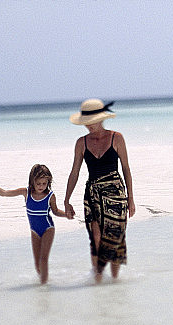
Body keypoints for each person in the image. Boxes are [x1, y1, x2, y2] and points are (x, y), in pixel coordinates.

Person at [64, 99, 135, 282]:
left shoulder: (116, 138)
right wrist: (66, 200)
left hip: (116, 194)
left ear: (101, 119)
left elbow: (126, 169)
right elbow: (75, 172)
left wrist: (131, 199)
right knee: (96, 238)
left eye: (91, 122)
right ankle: (97, 279)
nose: (88, 126)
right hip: (92, 194)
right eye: (85, 123)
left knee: (114, 239)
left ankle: (115, 282)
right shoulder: (81, 143)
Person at [0, 164, 65, 284]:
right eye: (38, 183)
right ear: (32, 182)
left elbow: (55, 211)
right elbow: (4, 193)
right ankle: (44, 282)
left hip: (48, 229)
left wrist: (67, 214)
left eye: (44, 183)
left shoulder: (50, 196)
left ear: (48, 182)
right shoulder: (26, 192)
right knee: (37, 264)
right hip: (34, 231)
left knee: (43, 259)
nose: (41, 186)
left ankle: (44, 288)